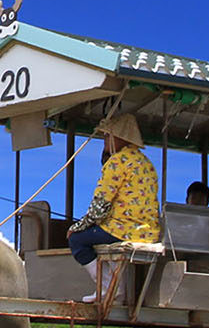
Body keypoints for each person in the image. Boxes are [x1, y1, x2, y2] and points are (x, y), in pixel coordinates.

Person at [67, 113, 161, 299]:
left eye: (108, 135)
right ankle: (115, 287)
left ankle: (108, 288)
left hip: (123, 230)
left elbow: (100, 205)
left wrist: (76, 227)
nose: (105, 140)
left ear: (120, 138)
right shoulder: (146, 163)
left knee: (77, 239)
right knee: (97, 237)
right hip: (149, 233)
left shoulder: (117, 162)